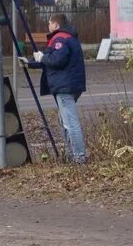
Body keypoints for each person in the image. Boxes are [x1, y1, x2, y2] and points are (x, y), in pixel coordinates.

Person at [22, 13, 87, 163]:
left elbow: (57, 60)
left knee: (70, 122)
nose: (48, 26)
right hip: (69, 84)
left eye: (50, 23)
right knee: (64, 120)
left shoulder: (60, 38)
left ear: (56, 25)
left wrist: (42, 58)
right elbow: (50, 57)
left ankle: (79, 157)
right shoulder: (67, 37)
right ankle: (73, 154)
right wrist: (31, 62)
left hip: (65, 86)